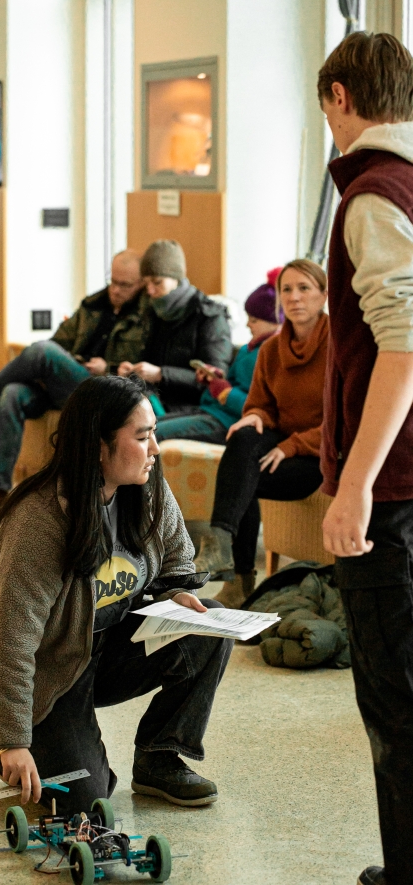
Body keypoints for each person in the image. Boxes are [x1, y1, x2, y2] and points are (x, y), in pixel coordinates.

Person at [0, 374, 233, 813]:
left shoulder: (144, 484)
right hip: (53, 668)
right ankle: (29, 744)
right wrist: (12, 739)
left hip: (112, 643)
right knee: (86, 799)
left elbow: (177, 556)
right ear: (98, 444)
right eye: (143, 437)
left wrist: (173, 593)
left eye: (154, 434)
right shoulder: (40, 519)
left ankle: (159, 758)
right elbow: (11, 640)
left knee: (210, 623)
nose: (155, 449)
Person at [317, 32, 413, 885]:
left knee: (396, 703)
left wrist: (356, 486)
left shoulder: (373, 196)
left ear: (339, 98)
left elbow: (404, 348)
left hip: (398, 492)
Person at [0, 250, 149, 517]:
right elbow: (59, 342)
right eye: (113, 281)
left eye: (125, 285)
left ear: (142, 284)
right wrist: (71, 361)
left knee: (41, 351)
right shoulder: (93, 305)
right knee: (12, 393)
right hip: (69, 383)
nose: (116, 290)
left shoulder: (147, 317)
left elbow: (140, 371)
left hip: (101, 390)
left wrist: (107, 368)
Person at [193, 259, 328, 607]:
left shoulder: (339, 348)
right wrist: (253, 416)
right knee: (242, 437)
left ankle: (239, 577)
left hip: (318, 456)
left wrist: (292, 445)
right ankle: (223, 548)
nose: (294, 297)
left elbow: (346, 421)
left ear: (323, 295)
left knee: (242, 477)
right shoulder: (270, 349)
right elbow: (260, 405)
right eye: (287, 290)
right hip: (276, 447)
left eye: (304, 289)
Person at [154, 269, 282, 444]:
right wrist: (213, 380)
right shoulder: (247, 349)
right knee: (145, 426)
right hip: (212, 411)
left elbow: (260, 409)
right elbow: (228, 384)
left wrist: (225, 393)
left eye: (254, 320)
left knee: (152, 434)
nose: (247, 324)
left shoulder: (274, 356)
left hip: (228, 423)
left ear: (276, 322)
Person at [117, 239, 233, 414]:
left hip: (192, 407)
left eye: (157, 282)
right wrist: (132, 371)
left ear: (176, 279)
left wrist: (160, 374)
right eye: (146, 283)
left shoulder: (210, 317)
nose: (150, 291)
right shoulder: (153, 310)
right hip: (153, 399)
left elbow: (216, 379)